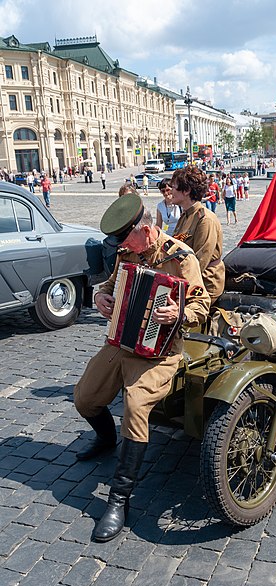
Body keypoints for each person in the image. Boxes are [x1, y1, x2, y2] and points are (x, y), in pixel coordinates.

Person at [74, 193, 210, 543]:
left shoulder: (181, 256)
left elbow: (202, 304)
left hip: (160, 351)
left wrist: (178, 314)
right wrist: (101, 297)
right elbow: (108, 286)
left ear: (146, 230)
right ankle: (106, 439)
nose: (120, 246)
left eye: (125, 238)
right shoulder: (126, 253)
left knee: (135, 406)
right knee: (85, 398)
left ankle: (119, 499)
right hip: (120, 341)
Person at [171, 165, 225, 304]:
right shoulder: (186, 215)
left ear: (187, 191)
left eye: (174, 187)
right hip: (186, 279)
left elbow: (200, 261)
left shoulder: (205, 220)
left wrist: (175, 288)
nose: (171, 191)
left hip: (205, 284)